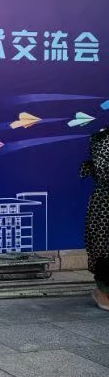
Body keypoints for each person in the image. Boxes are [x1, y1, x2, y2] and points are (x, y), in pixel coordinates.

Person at [80, 126, 109, 310]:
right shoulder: (102, 139)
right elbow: (103, 170)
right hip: (105, 204)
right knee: (104, 247)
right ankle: (103, 291)